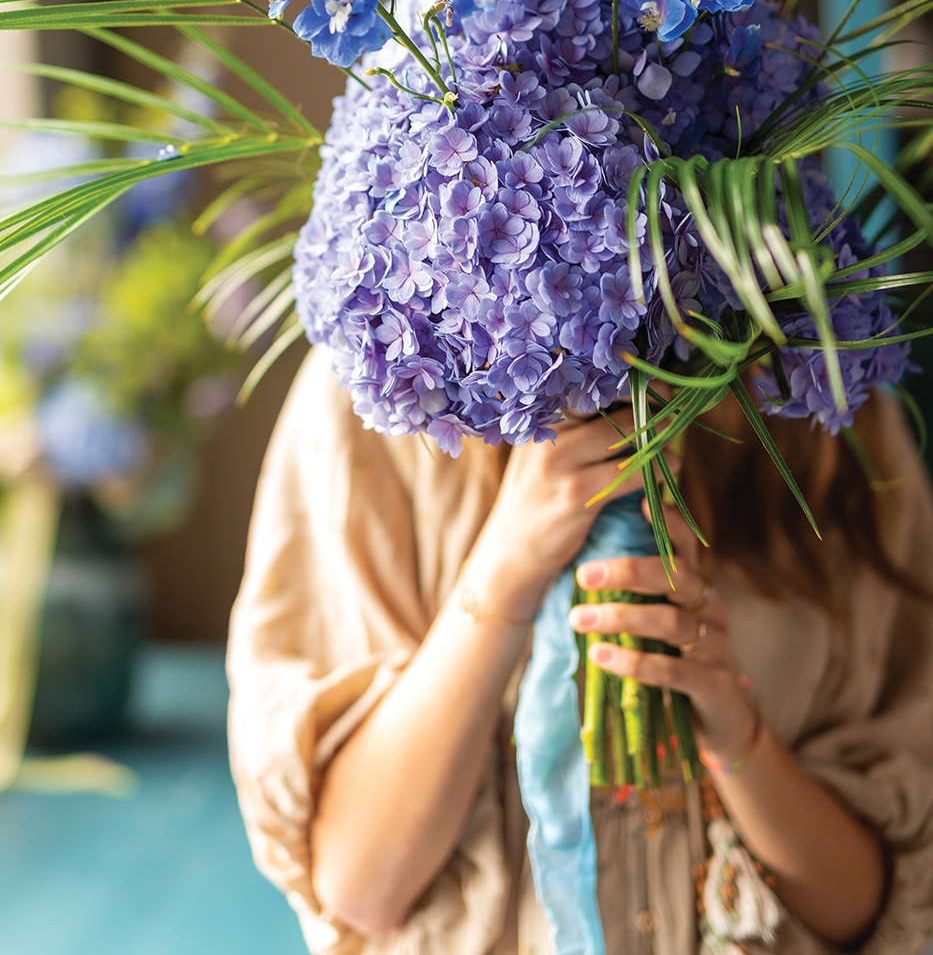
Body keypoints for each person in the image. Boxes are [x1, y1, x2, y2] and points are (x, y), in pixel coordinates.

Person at [227, 345, 933, 953]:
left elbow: (868, 909)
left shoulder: (828, 383)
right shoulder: (385, 373)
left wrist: (735, 731)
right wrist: (503, 572)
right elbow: (360, 888)